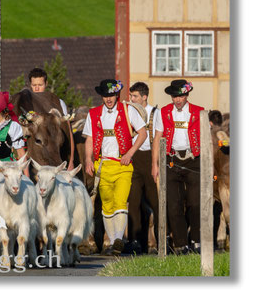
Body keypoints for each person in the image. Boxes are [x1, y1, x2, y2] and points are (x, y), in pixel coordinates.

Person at [83, 79, 147, 256]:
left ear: (117, 95)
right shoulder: (94, 113)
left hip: (123, 164)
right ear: (101, 96)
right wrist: (88, 160)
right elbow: (89, 138)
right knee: (107, 204)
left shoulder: (128, 111)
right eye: (105, 95)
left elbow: (143, 133)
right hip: (102, 165)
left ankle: (118, 238)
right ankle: (112, 243)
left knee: (120, 200)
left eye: (111, 95)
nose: (108, 98)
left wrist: (130, 153)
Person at [152, 79, 204, 254]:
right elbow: (158, 138)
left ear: (186, 95)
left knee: (195, 203)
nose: (178, 100)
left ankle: (196, 240)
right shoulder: (163, 112)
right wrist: (155, 164)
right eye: (175, 96)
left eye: (180, 96)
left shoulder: (199, 112)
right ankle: (181, 244)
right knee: (173, 204)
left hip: (193, 159)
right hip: (171, 159)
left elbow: (205, 140)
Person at [127, 82, 160, 254]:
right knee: (133, 202)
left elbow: (159, 137)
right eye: (131, 96)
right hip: (133, 158)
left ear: (144, 97)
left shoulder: (155, 113)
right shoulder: (128, 112)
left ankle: (161, 240)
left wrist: (156, 163)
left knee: (155, 201)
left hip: (150, 157)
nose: (131, 99)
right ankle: (135, 241)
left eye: (135, 96)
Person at [28, 67, 75, 170]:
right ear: (30, 85)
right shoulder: (27, 104)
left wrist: (71, 161)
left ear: (46, 84)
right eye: (34, 85)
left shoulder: (58, 103)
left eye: (40, 85)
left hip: (55, 158)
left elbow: (69, 132)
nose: (37, 89)